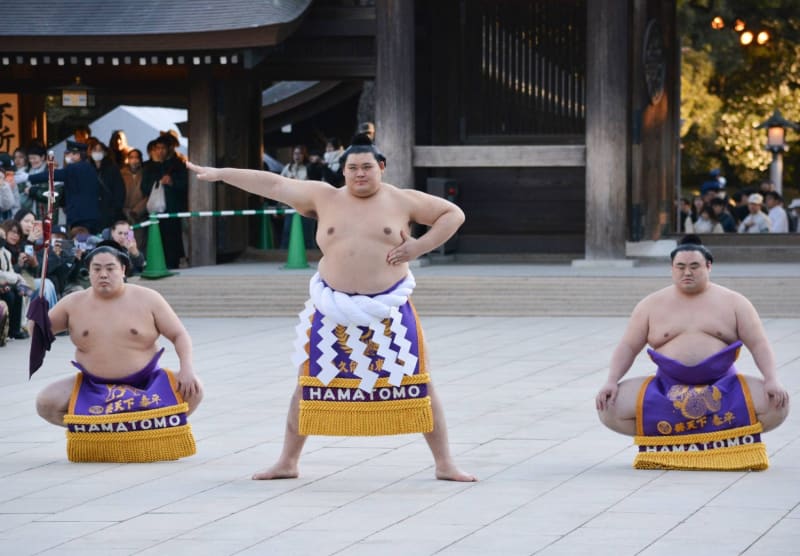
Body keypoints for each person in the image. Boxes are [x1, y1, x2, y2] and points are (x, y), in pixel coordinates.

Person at [187, 134, 475, 482]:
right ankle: (288, 461)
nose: (359, 174)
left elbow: (452, 214)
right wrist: (222, 174)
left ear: (381, 167)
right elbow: (275, 184)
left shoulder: (402, 200)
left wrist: (420, 245)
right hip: (332, 307)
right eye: (352, 168)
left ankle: (445, 463)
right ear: (343, 170)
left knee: (421, 383)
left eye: (367, 167)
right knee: (306, 383)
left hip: (389, 309)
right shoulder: (323, 197)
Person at [595, 236, 789, 470]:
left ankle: (712, 441)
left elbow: (759, 343)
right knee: (609, 408)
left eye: (694, 266)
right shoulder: (650, 305)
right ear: (671, 269)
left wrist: (771, 379)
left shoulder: (735, 303)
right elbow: (628, 346)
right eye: (680, 267)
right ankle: (688, 440)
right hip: (668, 389)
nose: (687, 272)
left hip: (723, 386)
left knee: (777, 405)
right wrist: (611, 381)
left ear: (709, 266)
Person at [35, 245, 203, 462]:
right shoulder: (73, 303)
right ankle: (105, 432)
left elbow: (179, 334)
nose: (103, 274)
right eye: (96, 269)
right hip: (93, 385)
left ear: (123, 270)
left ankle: (142, 431)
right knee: (46, 402)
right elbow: (38, 333)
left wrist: (187, 369)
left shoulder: (148, 298)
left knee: (194, 390)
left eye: (110, 268)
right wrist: (37, 310)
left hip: (146, 383)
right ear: (89, 272)